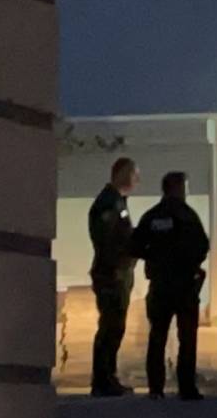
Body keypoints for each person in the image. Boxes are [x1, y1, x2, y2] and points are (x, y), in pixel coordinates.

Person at [131, 172, 210, 401]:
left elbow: (134, 245)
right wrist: (190, 263)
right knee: (187, 337)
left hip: (159, 285)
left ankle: (156, 388)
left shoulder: (152, 216)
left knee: (157, 335)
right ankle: (186, 387)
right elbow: (202, 245)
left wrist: (154, 257)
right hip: (185, 285)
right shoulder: (187, 215)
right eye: (184, 187)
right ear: (177, 188)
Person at [88, 157, 141, 397]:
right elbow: (108, 240)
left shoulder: (117, 202)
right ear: (120, 174)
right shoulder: (109, 203)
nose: (137, 180)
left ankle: (108, 377)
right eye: (133, 174)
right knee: (110, 326)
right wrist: (118, 266)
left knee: (115, 326)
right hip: (111, 274)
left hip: (117, 273)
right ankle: (103, 379)